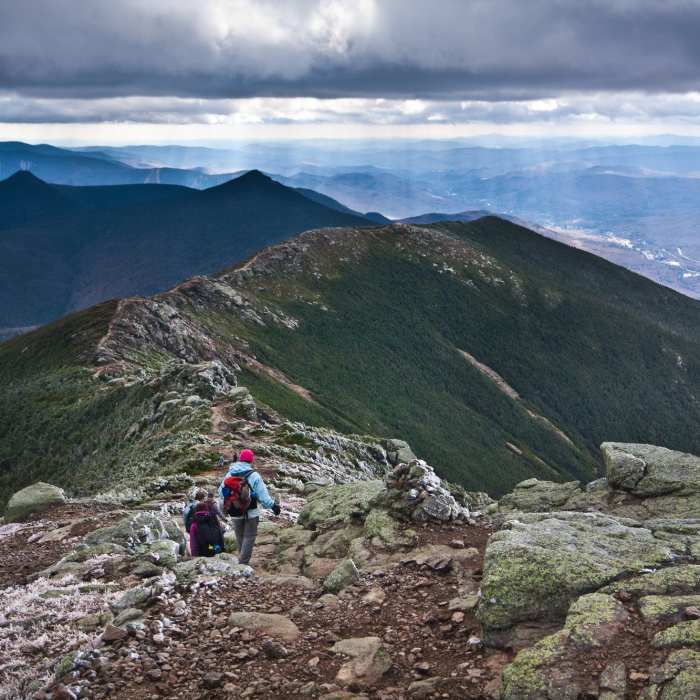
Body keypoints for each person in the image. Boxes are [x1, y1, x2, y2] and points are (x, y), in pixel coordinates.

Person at [218, 448, 280, 565]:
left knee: (240, 536)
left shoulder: (230, 473)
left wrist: (232, 498)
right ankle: (243, 562)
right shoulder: (254, 475)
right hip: (252, 511)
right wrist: (273, 506)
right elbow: (263, 496)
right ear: (250, 460)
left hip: (234, 510)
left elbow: (220, 493)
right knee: (249, 536)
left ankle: (242, 560)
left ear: (240, 459)